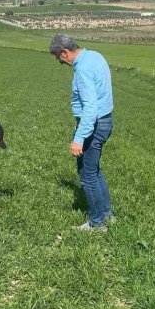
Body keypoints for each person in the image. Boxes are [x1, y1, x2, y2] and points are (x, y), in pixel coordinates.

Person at [49, 33, 114, 232]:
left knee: (87, 175)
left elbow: (90, 108)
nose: (60, 62)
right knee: (93, 170)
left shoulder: (83, 69)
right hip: (105, 121)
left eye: (58, 57)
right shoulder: (95, 55)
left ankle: (97, 223)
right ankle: (107, 214)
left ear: (64, 52)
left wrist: (79, 138)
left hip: (94, 125)